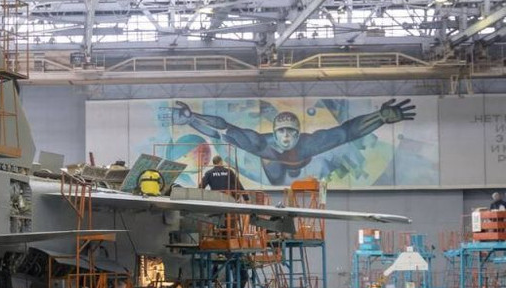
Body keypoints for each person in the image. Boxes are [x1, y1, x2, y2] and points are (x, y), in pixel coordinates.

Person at [169, 98, 416, 184]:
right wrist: (192, 118)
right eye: (282, 132)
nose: (286, 137)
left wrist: (380, 117)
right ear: (274, 134)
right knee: (230, 137)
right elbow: (223, 127)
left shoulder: (311, 144)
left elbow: (348, 131)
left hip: (300, 168)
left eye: (291, 132)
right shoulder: (260, 143)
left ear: (298, 134)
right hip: (270, 166)